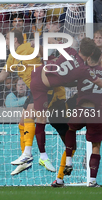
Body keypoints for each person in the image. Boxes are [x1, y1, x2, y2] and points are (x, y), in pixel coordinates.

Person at [0, 31, 45, 175]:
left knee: (30, 120)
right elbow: (1, 77)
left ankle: (32, 156)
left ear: (15, 39)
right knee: (22, 123)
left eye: (7, 38)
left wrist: (39, 46)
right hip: (34, 91)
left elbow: (45, 56)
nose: (5, 41)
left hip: (44, 88)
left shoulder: (28, 47)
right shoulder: (12, 57)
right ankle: (26, 157)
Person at [29, 38, 102, 175]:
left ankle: (64, 163)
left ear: (80, 48)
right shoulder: (84, 69)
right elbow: (98, 82)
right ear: (92, 53)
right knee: (94, 144)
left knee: (69, 130)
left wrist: (38, 44)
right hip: (88, 110)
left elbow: (52, 40)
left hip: (44, 85)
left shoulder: (70, 51)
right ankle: (85, 177)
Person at [64, 49, 102, 187]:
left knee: (71, 129)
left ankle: (69, 161)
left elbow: (68, 81)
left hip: (81, 108)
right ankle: (92, 181)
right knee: (96, 146)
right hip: (97, 112)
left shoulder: (82, 70)